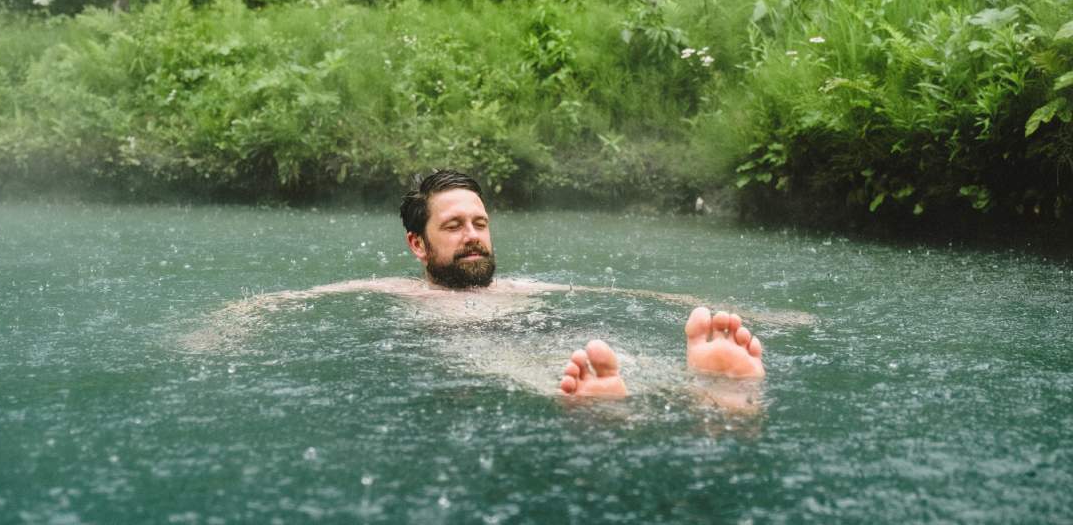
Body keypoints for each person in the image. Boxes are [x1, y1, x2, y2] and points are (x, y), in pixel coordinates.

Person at [185, 169, 780, 401]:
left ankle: (710, 391)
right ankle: (609, 403)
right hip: (462, 350)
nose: (473, 235)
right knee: (510, 359)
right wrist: (221, 329)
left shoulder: (524, 286)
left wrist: (760, 314)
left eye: (480, 223)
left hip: (539, 329)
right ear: (418, 245)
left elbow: (636, 299)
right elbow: (280, 300)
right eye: (454, 225)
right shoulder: (398, 290)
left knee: (583, 346)